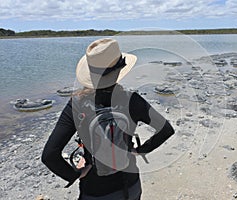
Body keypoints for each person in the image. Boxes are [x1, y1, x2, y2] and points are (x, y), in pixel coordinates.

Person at [42, 38, 175, 200]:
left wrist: (76, 173)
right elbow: (166, 129)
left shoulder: (77, 104)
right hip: (130, 186)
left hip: (95, 190)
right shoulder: (131, 100)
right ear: (119, 71)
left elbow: (49, 155)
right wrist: (140, 150)